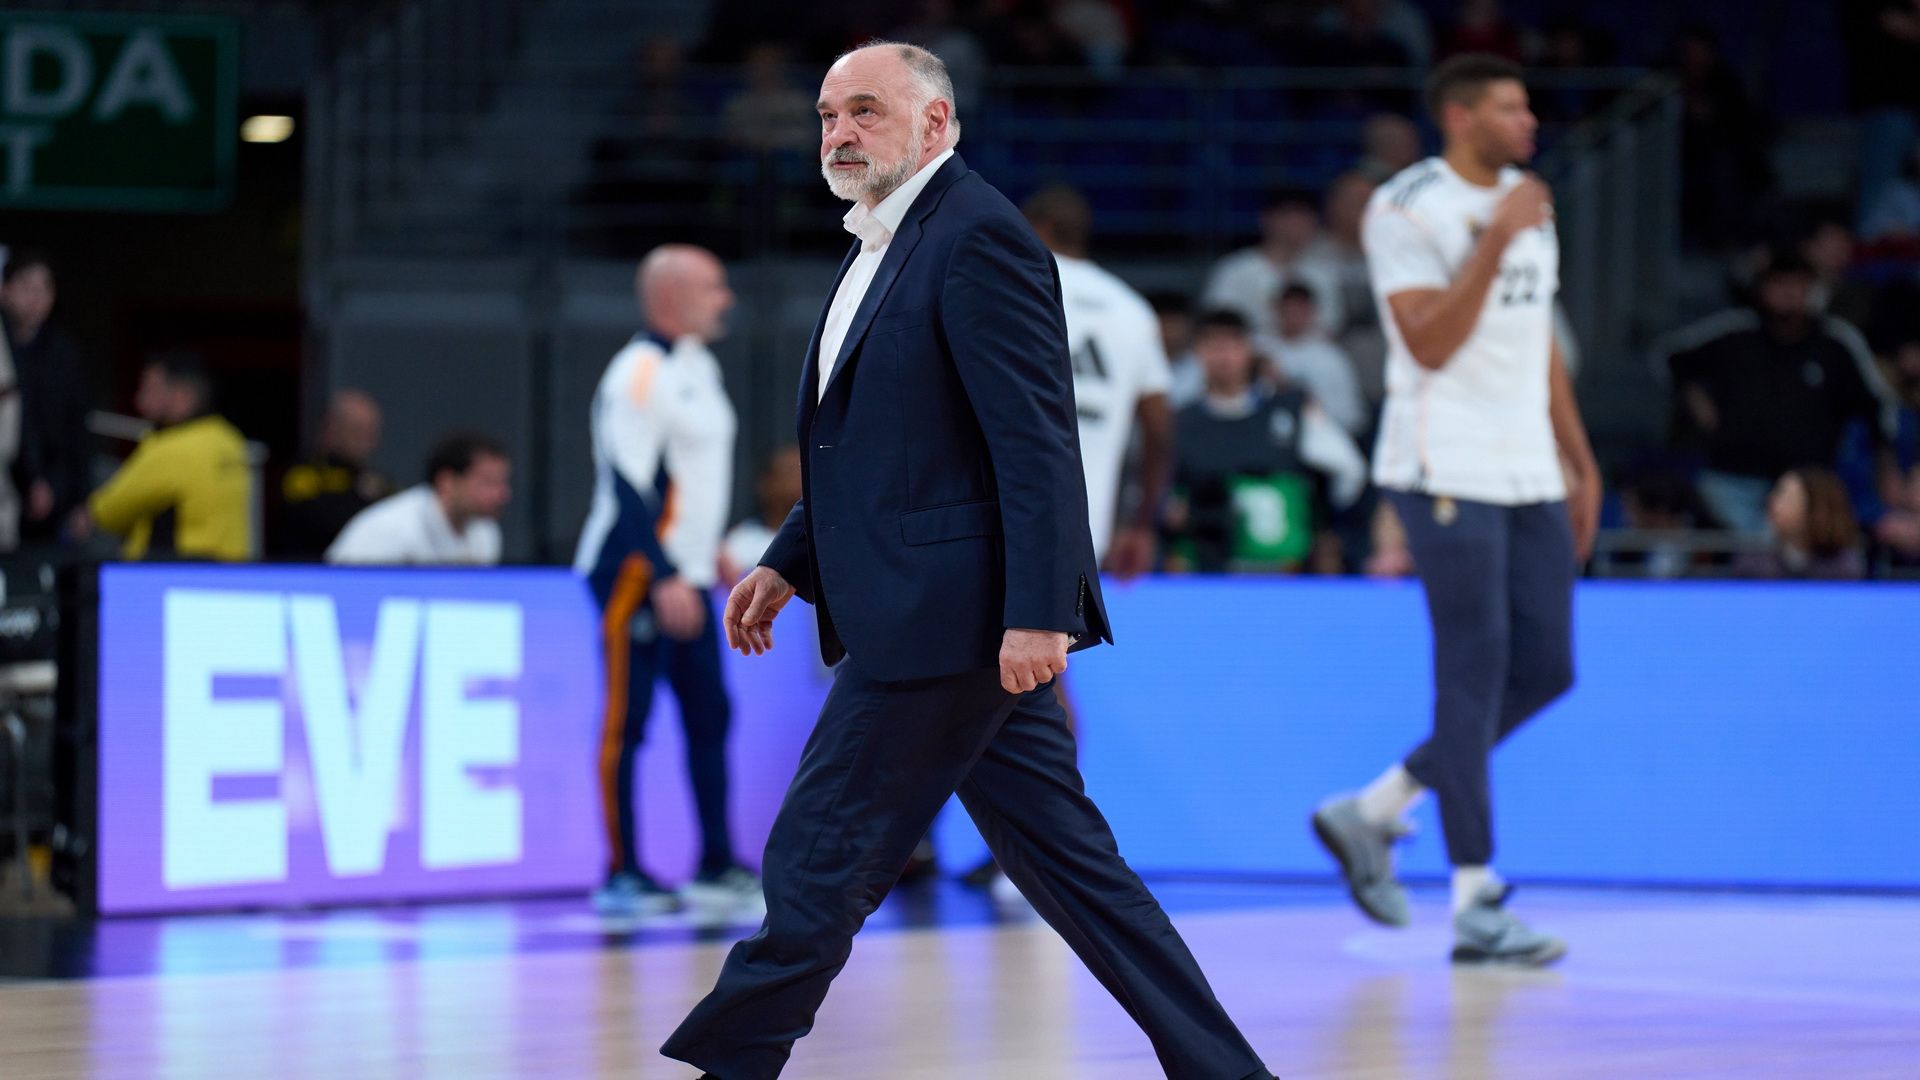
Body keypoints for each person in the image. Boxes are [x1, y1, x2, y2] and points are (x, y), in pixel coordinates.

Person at [661, 42, 1273, 1080]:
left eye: (865, 111)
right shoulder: (885, 241)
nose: (839, 134)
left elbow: (1035, 443)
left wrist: (1040, 612)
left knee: (816, 858)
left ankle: (733, 1063)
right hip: (943, 614)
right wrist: (789, 559)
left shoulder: (978, 236)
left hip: (946, 621)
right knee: (1077, 874)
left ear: (936, 123)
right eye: (827, 116)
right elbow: (877, 451)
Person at [1311, 55, 1602, 968]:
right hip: (1442, 462)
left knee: (1548, 669)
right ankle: (1477, 899)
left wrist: (1579, 459)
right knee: (1473, 672)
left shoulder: (1527, 199)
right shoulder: (1405, 208)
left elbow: (1535, 337)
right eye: (1511, 107)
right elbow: (1429, 342)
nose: (1530, 121)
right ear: (1460, 116)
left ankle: (1377, 807)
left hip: (1527, 465)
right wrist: (1492, 241)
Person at [574, 244, 760, 920]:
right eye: (714, 287)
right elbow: (627, 484)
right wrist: (660, 572)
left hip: (686, 573)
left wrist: (708, 548)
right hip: (635, 573)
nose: (726, 299)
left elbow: (685, 478)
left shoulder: (698, 366)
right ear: (673, 296)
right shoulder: (638, 373)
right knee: (628, 720)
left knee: (710, 713)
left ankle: (715, 864)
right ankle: (621, 872)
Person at [1662, 252, 1901, 536]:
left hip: (1807, 484)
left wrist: (1886, 466)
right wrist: (1701, 408)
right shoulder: (1736, 332)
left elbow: (1878, 404)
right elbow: (1672, 357)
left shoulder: (1836, 342)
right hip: (1732, 481)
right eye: (1779, 283)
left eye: (1797, 284)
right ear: (1762, 288)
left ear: (1813, 289)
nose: (1788, 293)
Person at [1022, 184, 1175, 576]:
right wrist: (1142, 526)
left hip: (1003, 518)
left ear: (1038, 227)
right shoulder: (1132, 309)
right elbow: (1160, 432)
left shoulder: (1011, 286)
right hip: (1088, 530)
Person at [1168, 310, 1367, 573]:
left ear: (1249, 350)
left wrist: (1323, 522)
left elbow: (1349, 471)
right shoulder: (1180, 421)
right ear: (1197, 353)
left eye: (1232, 345)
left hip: (1286, 567)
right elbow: (1165, 493)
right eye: (1213, 345)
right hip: (1207, 565)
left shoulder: (1291, 411)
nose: (1223, 356)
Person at [79, 352, 252, 562]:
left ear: (182, 394)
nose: (140, 400)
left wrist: (82, 517)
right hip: (231, 572)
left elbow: (108, 512)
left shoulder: (173, 446)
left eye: (151, 389)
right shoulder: (230, 440)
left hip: (177, 573)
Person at [1, 252, 89, 545]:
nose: (35, 298)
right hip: (7, 480)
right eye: (27, 287)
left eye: (44, 289)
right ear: (5, 290)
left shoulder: (62, 352)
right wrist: (31, 476)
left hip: (54, 489)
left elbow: (76, 428)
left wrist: (79, 498)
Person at [325, 432, 508, 565]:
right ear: (447, 482)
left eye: (502, 482)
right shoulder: (388, 529)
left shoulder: (486, 532)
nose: (502, 494)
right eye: (488, 482)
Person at [1202, 188, 1344, 339]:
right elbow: (1216, 324)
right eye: (1289, 217)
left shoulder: (1323, 274)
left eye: (1304, 218)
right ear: (1267, 219)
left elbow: (1330, 327)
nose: (1296, 225)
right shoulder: (1234, 270)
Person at [275, 389, 389, 561]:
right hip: (307, 568)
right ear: (332, 428)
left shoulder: (374, 478)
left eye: (371, 432)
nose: (368, 441)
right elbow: (316, 522)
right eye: (357, 430)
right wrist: (360, 497)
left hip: (360, 567)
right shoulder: (303, 473)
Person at [1257, 283, 1369, 437]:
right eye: (1289, 309)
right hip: (1266, 432)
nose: (1293, 316)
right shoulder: (1257, 348)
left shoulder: (1331, 356)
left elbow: (1351, 418)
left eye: (1300, 310)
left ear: (1312, 311)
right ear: (1277, 309)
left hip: (1319, 436)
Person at [1735, 468, 1866, 580]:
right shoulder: (1753, 563)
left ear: (1817, 509)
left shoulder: (1843, 569)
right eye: (1775, 493)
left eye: (1787, 498)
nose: (1772, 502)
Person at [724, 444, 803, 581]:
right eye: (789, 473)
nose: (798, 482)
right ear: (765, 484)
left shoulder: (823, 544)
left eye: (803, 473)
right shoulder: (739, 543)